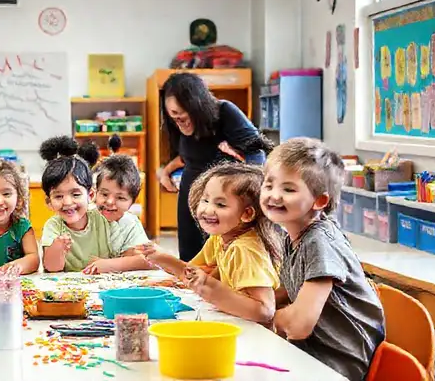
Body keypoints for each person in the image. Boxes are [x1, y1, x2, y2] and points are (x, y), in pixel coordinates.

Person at [261, 138, 384, 381]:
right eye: (269, 185)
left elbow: (298, 325)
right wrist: (251, 302)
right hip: (310, 352)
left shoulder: (319, 243)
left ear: (319, 201)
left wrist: (270, 317)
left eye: (288, 189)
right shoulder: (294, 235)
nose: (274, 195)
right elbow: (287, 290)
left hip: (334, 365)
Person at [138, 162, 281, 324]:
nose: (207, 209)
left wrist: (210, 286)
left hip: (258, 334)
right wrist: (162, 258)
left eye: (220, 204)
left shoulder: (246, 248)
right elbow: (192, 273)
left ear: (247, 214)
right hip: (237, 322)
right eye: (205, 200)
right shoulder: (220, 239)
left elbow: (265, 311)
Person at [158, 72, 273, 261]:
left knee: (223, 257)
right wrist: (166, 172)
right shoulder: (176, 125)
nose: (179, 122)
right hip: (191, 196)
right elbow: (189, 155)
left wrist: (247, 193)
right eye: (174, 117)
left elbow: (257, 152)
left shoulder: (225, 112)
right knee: (191, 257)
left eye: (183, 116)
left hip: (223, 198)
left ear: (197, 106)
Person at [39, 136, 150, 273]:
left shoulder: (105, 218)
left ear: (90, 195)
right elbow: (52, 268)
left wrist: (109, 264)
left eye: (75, 195)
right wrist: (57, 248)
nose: (67, 203)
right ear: (49, 202)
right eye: (58, 196)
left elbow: (146, 259)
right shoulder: (53, 226)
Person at [93, 137, 150, 272]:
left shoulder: (130, 223)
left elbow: (148, 259)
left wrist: (109, 265)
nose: (110, 202)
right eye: (104, 194)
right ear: (94, 193)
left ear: (132, 202)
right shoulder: (86, 218)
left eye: (120, 198)